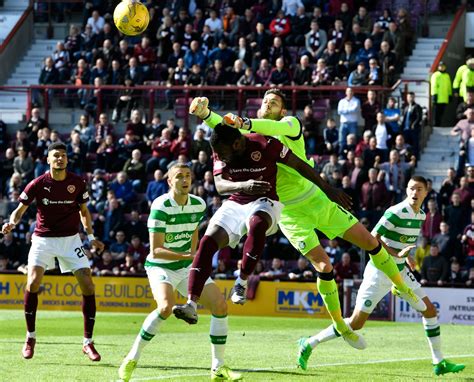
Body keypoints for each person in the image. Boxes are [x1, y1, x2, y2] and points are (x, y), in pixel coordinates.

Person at [184, 91, 425, 347]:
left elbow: (264, 128)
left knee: (370, 243)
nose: (268, 104)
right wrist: (205, 115)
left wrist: (330, 189)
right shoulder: (249, 137)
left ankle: (404, 289)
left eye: (274, 102)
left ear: (283, 111)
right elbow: (225, 130)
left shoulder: (290, 125)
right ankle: (342, 326)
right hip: (288, 213)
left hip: (316, 200)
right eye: (265, 101)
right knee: (324, 267)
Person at [173, 123, 364, 344]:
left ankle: (242, 282)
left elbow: (300, 165)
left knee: (256, 224)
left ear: (237, 143)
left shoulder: (265, 144)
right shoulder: (219, 147)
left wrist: (328, 189)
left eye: (225, 153)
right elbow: (220, 185)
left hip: (267, 201)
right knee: (207, 242)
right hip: (237, 200)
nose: (221, 157)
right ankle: (191, 304)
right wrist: (244, 185)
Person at [296, 176, 465, 376]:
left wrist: (407, 258)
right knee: (356, 323)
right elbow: (372, 239)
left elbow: (403, 241)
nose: (414, 193)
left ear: (427, 192)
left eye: (419, 189)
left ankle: (439, 362)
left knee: (429, 311)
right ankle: (308, 343)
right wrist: (395, 254)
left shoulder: (421, 214)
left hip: (400, 270)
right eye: (411, 188)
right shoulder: (395, 212)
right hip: (379, 270)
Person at [118, 164, 241, 382]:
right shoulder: (160, 206)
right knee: (165, 307)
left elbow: (194, 230)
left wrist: (193, 255)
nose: (185, 180)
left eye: (188, 176)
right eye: (179, 177)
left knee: (220, 305)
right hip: (160, 265)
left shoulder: (198, 204)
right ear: (169, 181)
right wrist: (189, 257)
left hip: (186, 267)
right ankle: (132, 358)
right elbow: (156, 249)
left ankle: (218, 367)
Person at [1, 142, 105, 361]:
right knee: (33, 281)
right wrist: (11, 223)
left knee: (87, 282)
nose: (60, 159)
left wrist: (92, 237)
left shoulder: (77, 183)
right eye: (56, 155)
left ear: (67, 160)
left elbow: (84, 212)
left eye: (63, 156)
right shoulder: (37, 184)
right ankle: (30, 337)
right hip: (43, 240)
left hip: (70, 240)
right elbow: (19, 211)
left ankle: (87, 342)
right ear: (48, 160)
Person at [430, 62, 452, 126]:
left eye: (443, 66)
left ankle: (439, 124)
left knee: (441, 113)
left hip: (444, 98)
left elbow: (449, 86)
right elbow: (434, 86)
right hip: (438, 98)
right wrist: (434, 95)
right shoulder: (435, 75)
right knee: (436, 114)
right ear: (438, 67)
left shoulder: (447, 75)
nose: (442, 67)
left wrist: (450, 95)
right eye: (440, 66)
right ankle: (436, 125)